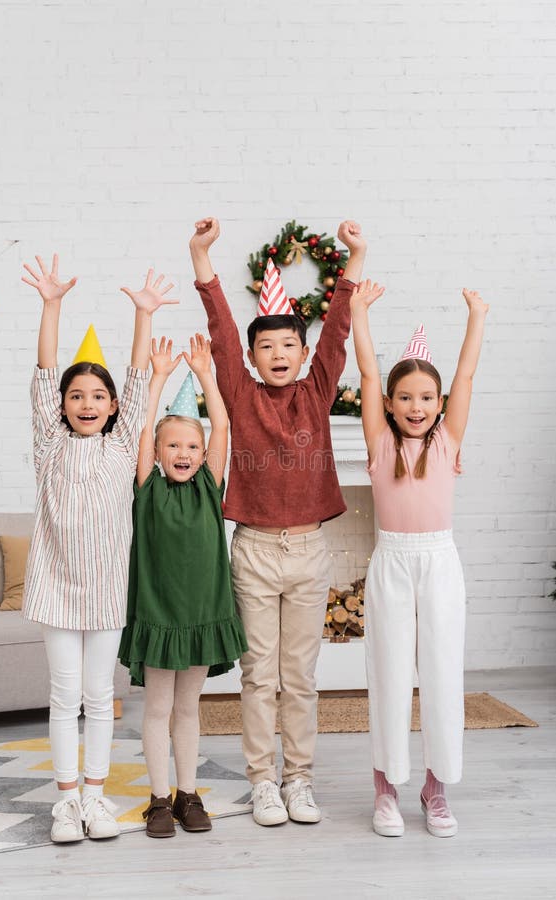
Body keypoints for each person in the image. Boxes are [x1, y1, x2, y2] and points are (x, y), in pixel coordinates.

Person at [189, 217, 367, 826]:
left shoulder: (317, 393)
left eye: (289, 344)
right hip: (255, 551)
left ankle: (300, 780)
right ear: (253, 357)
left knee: (301, 676)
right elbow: (219, 333)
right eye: (266, 346)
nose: (279, 354)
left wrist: (356, 258)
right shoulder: (240, 395)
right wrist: (202, 258)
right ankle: (263, 780)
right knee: (258, 675)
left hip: (309, 550)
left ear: (302, 351)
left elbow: (338, 335)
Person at [22, 256, 177, 843]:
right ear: (62, 406)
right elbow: (43, 372)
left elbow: (139, 382)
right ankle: (66, 803)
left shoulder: (120, 448)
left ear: (113, 407)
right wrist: (52, 306)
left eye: (98, 396)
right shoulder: (49, 444)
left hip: (108, 588)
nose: (87, 403)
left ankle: (96, 797)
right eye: (76, 395)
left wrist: (142, 316)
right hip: (57, 587)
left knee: (99, 696)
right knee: (64, 697)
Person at [351, 278, 489, 837]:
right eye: (405, 397)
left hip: (439, 563)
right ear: (389, 404)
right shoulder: (380, 444)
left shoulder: (448, 441)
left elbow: (466, 376)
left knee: (439, 672)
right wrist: (359, 313)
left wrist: (477, 317)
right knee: (387, 673)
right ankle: (385, 788)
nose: (416, 406)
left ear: (439, 405)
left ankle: (436, 789)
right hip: (392, 563)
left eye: (426, 398)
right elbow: (363, 372)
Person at [118, 333, 247, 839]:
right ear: (157, 451)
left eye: (192, 446)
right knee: (157, 708)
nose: (184, 452)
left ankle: (187, 794)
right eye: (173, 444)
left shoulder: (210, 485)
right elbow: (138, 430)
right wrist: (157, 378)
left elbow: (224, 429)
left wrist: (206, 375)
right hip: (158, 615)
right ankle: (156, 799)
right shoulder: (147, 485)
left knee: (188, 709)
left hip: (200, 615)